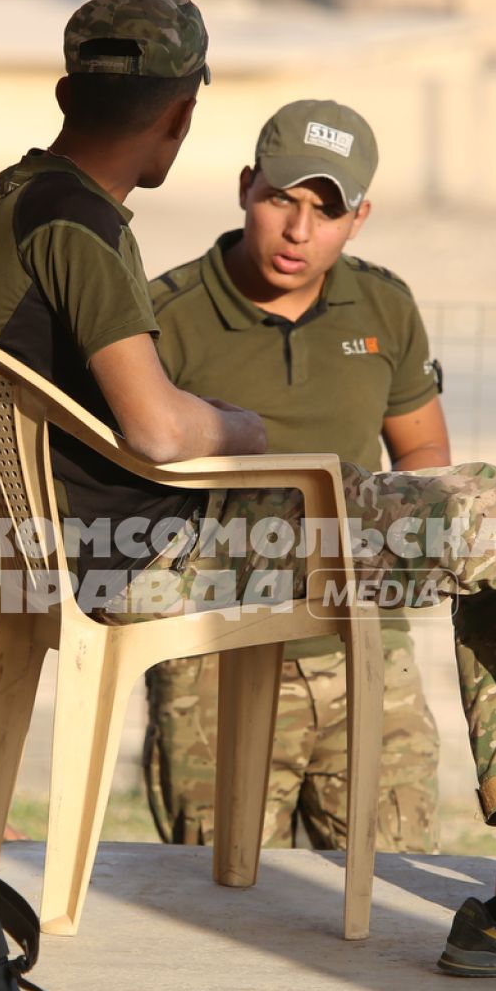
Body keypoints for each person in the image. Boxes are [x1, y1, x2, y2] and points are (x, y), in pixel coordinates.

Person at [0, 0, 496, 975]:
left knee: (493, 544)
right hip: (196, 553)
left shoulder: (11, 200)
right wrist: (243, 427)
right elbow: (156, 426)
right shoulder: (86, 228)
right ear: (185, 114)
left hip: (128, 549)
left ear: (68, 90)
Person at [141, 100, 445, 855]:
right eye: (282, 199)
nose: (299, 232)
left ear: (360, 218)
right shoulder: (161, 316)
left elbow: (424, 462)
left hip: (368, 653)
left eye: (326, 210)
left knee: (396, 903)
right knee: (221, 913)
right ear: (247, 186)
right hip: (216, 657)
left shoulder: (385, 306)